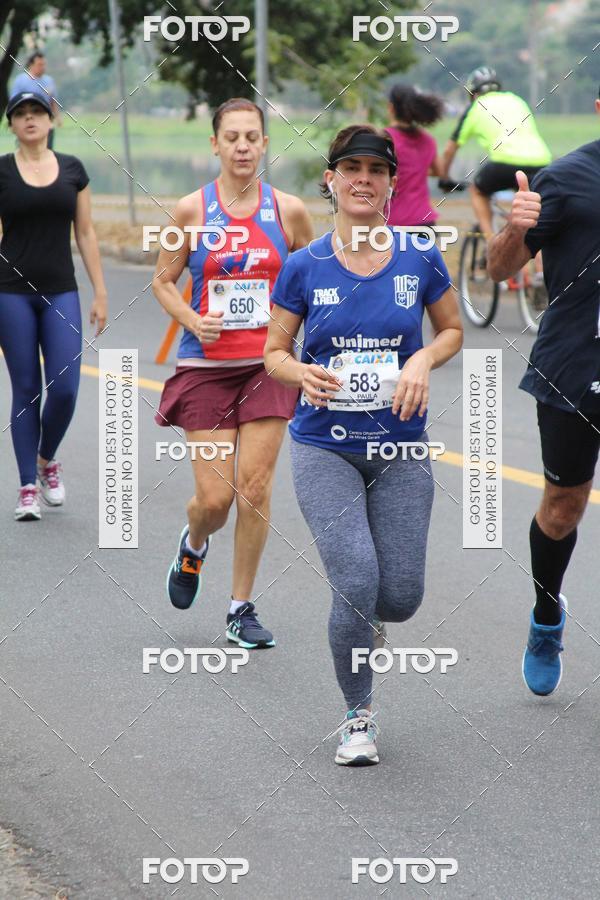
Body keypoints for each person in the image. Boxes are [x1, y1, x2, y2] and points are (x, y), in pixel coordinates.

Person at [264, 125, 463, 765]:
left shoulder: (419, 256)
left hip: (401, 446)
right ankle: (357, 717)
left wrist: (423, 361)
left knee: (398, 597)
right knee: (355, 578)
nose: (362, 179)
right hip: (325, 446)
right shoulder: (304, 266)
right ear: (330, 179)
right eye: (350, 168)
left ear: (390, 185)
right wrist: (302, 373)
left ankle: (367, 620)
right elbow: (272, 354)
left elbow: (453, 331)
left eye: (375, 171)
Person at [153, 97, 313, 650]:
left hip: (267, 366)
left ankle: (240, 608)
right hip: (207, 368)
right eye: (233, 137)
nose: (243, 146)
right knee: (215, 500)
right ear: (215, 145)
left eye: (253, 137)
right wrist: (194, 318)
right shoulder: (191, 211)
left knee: (254, 487)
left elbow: (310, 279)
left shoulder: (288, 211)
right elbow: (163, 281)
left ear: (265, 145)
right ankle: (195, 542)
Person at [488, 92, 600, 698]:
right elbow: (499, 269)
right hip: (573, 368)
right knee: (563, 507)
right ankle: (546, 616)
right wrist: (515, 227)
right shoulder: (567, 178)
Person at [0, 92, 107, 520]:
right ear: (11, 125)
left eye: (37, 113)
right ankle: (28, 485)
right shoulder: (2, 172)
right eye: (21, 115)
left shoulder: (73, 170)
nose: (29, 120)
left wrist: (99, 290)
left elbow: (85, 233)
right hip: (10, 292)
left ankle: (47, 460)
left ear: (52, 120)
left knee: (64, 389)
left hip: (61, 290)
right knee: (26, 389)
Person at [439, 67, 551, 242]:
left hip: (504, 163)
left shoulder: (475, 107)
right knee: (533, 219)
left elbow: (449, 150)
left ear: (473, 93)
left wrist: (444, 178)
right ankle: (538, 268)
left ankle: (492, 244)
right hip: (542, 162)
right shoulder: (517, 100)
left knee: (478, 191)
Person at [385, 84, 445, 227]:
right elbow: (439, 171)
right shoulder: (428, 140)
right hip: (425, 222)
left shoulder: (385, 138)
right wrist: (417, 170)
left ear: (391, 108)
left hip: (393, 222)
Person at [11, 52, 62, 149]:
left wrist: (58, 117)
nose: (43, 67)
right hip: (27, 122)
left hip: (46, 122)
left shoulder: (49, 81)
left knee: (47, 150)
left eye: (44, 64)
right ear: (31, 65)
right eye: (39, 65)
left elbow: (53, 101)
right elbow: (14, 103)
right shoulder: (21, 81)